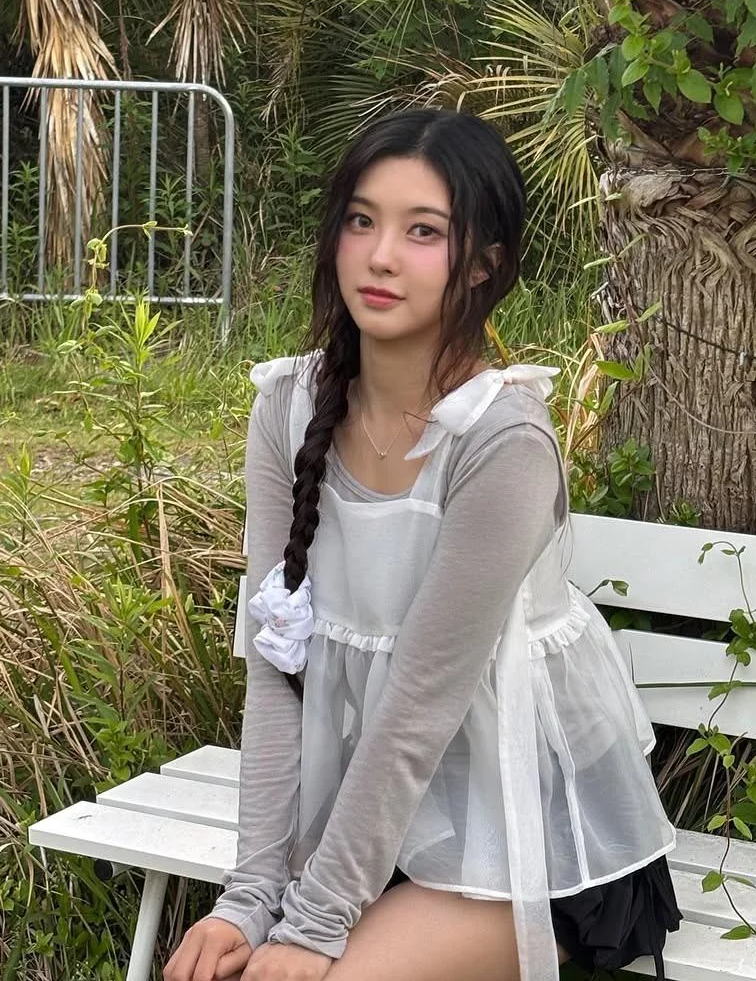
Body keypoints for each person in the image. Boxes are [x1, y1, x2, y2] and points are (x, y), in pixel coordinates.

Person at [163, 107, 681, 981]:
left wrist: (310, 923)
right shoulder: (287, 408)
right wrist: (250, 897)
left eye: (423, 232)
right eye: (361, 220)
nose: (380, 256)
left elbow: (418, 709)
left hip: (542, 834)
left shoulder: (501, 442)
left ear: (484, 264)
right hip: (384, 824)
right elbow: (273, 667)